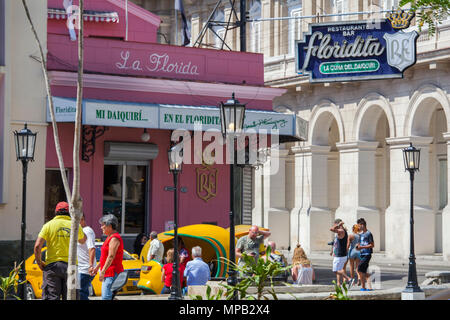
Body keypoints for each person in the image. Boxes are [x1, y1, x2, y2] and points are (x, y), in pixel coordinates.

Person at [33, 201, 86, 300]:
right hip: (72, 266)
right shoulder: (75, 225)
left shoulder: (48, 225)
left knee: (52, 297)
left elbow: (37, 246)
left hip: (52, 266)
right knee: (72, 297)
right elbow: (83, 240)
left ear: (56, 212)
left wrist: (40, 263)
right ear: (69, 212)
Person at [92, 214, 124, 300]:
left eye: (103, 225)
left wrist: (102, 271)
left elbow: (111, 256)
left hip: (112, 272)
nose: (101, 227)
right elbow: (104, 257)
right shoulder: (109, 237)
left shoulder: (114, 238)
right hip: (108, 272)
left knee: (106, 297)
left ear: (109, 226)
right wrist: (97, 267)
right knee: (108, 296)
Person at [77, 213, 97, 300]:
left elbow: (91, 248)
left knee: (80, 293)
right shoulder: (78, 232)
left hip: (85, 269)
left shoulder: (87, 231)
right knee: (78, 293)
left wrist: (90, 265)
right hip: (78, 268)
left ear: (81, 220)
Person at [330, 219, 352, 287]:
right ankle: (338, 284)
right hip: (340, 254)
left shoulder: (341, 231)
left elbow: (331, 229)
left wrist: (338, 225)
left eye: (335, 224)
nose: (334, 226)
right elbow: (336, 243)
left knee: (335, 270)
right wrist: (332, 251)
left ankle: (349, 279)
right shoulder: (341, 231)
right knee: (339, 270)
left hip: (340, 255)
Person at [356, 218, 374, 291]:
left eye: (359, 225)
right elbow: (360, 244)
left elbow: (372, 245)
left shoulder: (368, 234)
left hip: (367, 254)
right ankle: (367, 287)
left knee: (359, 268)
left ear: (362, 225)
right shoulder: (361, 234)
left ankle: (363, 287)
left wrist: (362, 247)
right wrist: (358, 247)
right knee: (363, 271)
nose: (358, 227)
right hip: (362, 254)